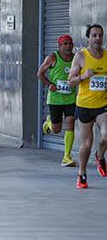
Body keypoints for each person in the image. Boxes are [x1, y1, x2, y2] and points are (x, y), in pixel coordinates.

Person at [68, 24, 106, 189]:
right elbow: (71, 81)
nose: (98, 38)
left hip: (102, 105)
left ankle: (100, 155)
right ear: (88, 38)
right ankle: (82, 173)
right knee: (86, 144)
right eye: (95, 35)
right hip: (84, 106)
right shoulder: (81, 56)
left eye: (100, 35)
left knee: (106, 135)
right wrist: (84, 75)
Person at [37, 35, 76, 166]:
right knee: (56, 129)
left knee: (70, 123)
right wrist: (49, 84)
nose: (68, 46)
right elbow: (40, 73)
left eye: (70, 44)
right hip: (55, 99)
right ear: (59, 46)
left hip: (71, 98)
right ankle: (48, 124)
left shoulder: (75, 58)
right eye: (65, 44)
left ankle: (67, 157)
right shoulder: (52, 57)